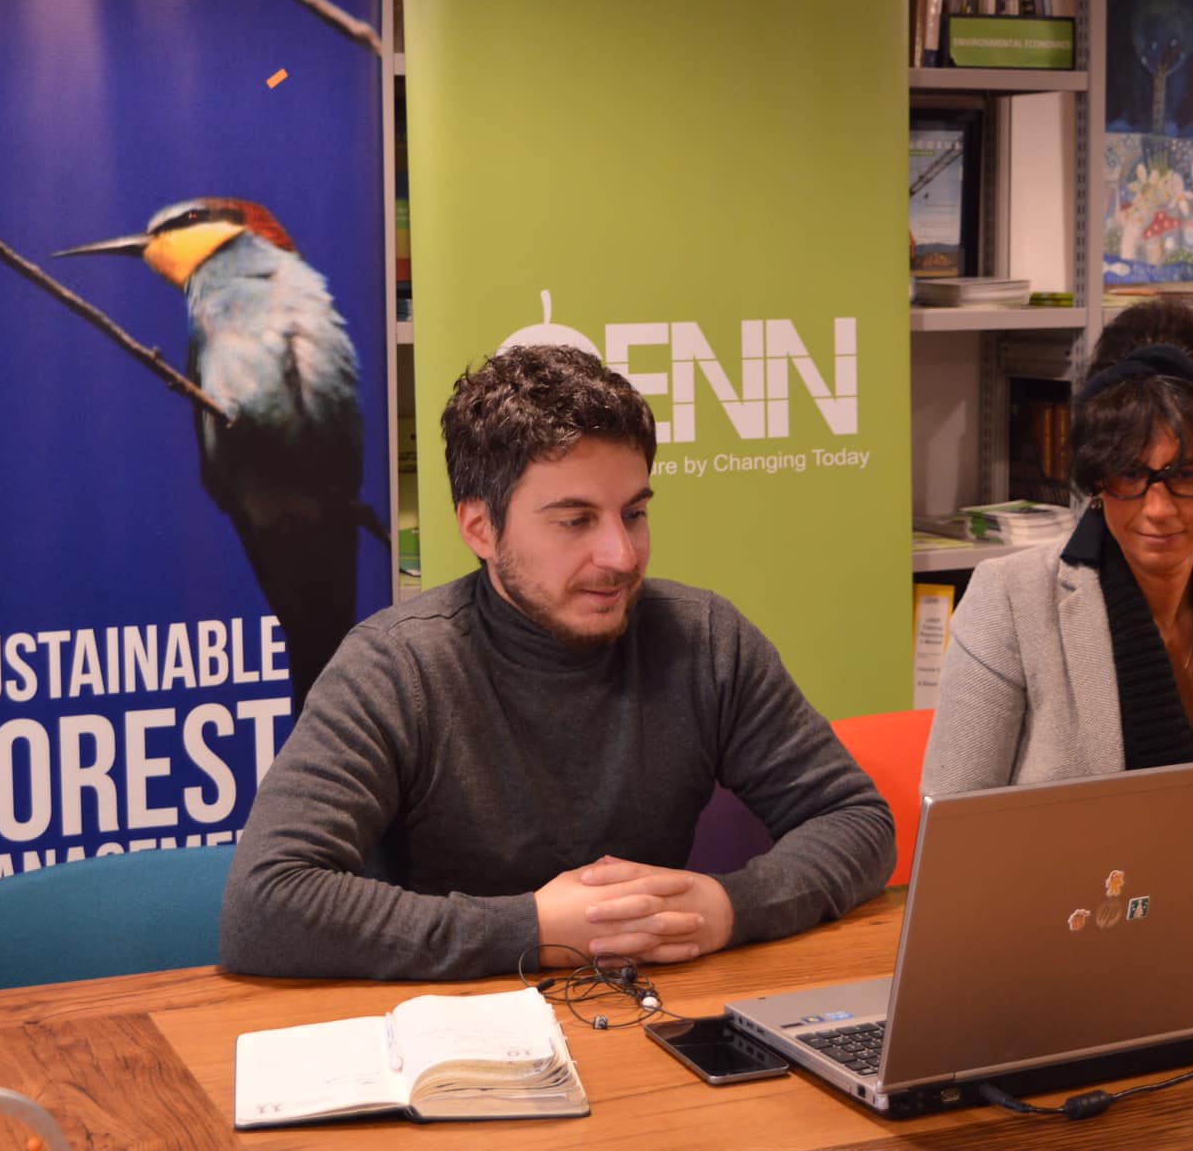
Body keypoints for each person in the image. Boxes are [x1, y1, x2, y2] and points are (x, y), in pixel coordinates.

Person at [221, 343, 894, 980]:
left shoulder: (706, 639)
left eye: (634, 514)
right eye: (575, 521)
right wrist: (535, 929)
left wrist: (730, 906)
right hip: (452, 1026)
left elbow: (857, 820)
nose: (621, 556)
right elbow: (266, 904)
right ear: (480, 528)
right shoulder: (394, 668)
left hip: (649, 1007)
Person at [921, 299, 1193, 796]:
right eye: (1130, 473)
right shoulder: (1009, 599)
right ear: (1097, 474)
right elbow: (954, 819)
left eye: (1187, 474)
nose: (1157, 508)